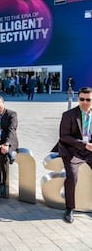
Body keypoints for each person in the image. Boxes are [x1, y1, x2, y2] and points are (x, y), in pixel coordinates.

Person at [52, 86, 92, 224]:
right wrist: (84, 144)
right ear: (78, 98)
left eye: (88, 99)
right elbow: (64, 136)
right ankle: (69, 208)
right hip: (72, 150)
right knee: (72, 176)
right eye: (82, 99)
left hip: (90, 150)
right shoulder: (68, 114)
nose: (85, 102)